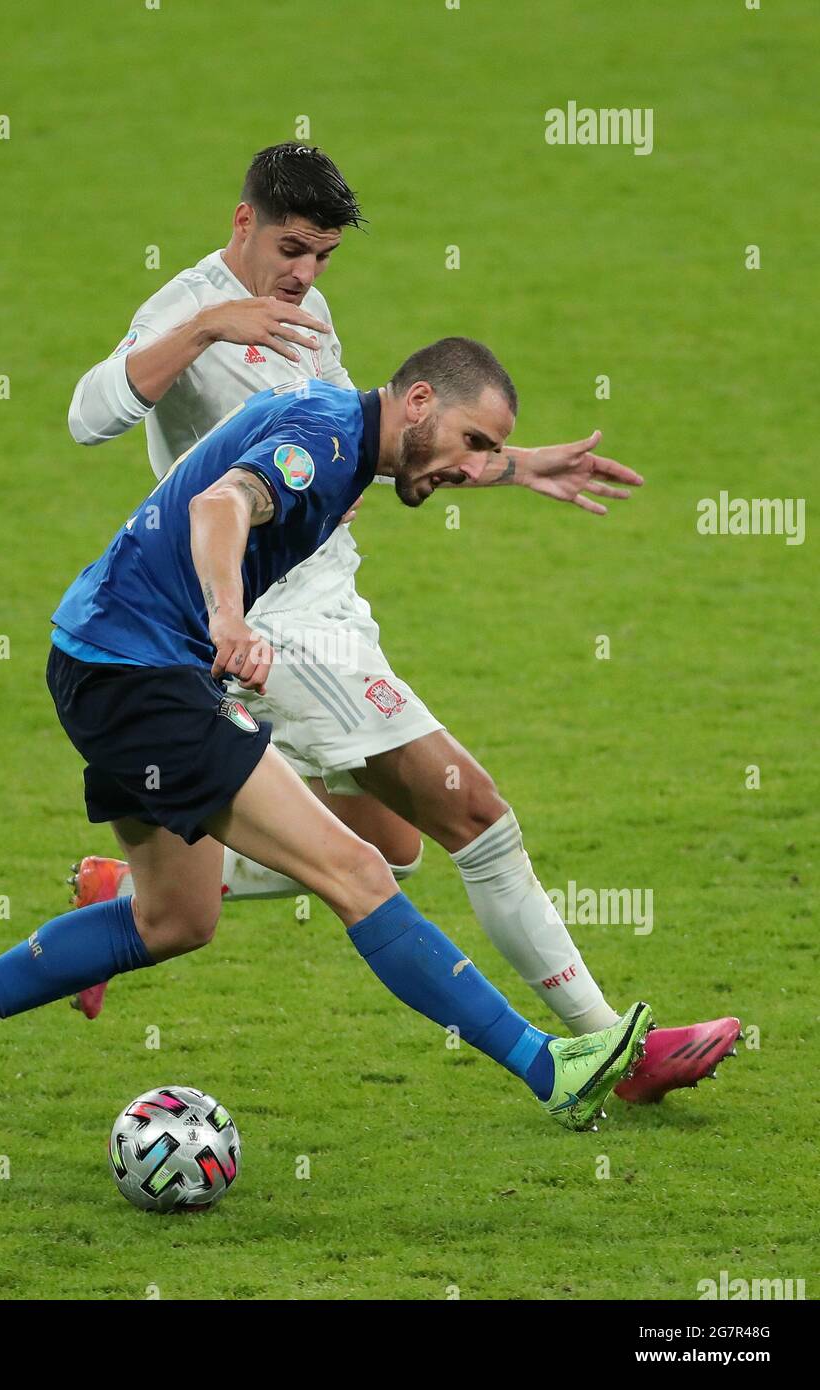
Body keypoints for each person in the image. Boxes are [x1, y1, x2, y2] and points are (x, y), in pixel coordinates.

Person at [63, 143, 739, 1100]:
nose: (304, 275)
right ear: (243, 222)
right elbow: (89, 415)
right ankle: (616, 1053)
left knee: (391, 845)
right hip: (276, 617)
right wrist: (211, 326)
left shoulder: (310, 313)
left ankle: (126, 897)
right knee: (473, 810)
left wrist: (510, 464)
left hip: (335, 594)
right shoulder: (185, 308)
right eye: (292, 249)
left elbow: (371, 437)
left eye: (324, 257)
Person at [0, 341, 655, 1143]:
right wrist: (227, 615)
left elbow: (386, 456)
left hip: (102, 659)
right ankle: (548, 1067)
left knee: (175, 918)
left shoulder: (346, 426)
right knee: (357, 869)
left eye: (489, 451)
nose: (477, 465)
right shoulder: (328, 442)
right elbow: (220, 506)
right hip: (139, 673)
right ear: (417, 403)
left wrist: (518, 467)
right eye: (475, 443)